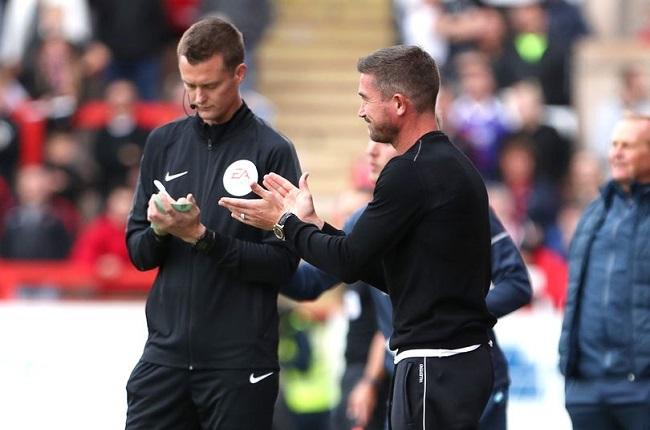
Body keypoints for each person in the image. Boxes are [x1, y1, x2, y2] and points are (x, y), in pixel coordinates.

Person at [220, 45, 497, 429]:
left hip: (435, 362)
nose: (360, 111)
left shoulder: (408, 172)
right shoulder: (452, 165)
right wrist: (312, 224)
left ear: (398, 103)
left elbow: (349, 262)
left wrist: (284, 224)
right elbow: (382, 267)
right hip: (454, 362)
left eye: (365, 99)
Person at [124, 17, 301, 429]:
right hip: (164, 358)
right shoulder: (163, 142)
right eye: (188, 85)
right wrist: (159, 230)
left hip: (238, 365)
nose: (197, 98)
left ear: (239, 74)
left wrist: (203, 238)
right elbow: (138, 251)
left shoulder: (272, 151)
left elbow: (282, 264)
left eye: (208, 85)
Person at [283, 139, 532, 430]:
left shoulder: (458, 201)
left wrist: (449, 315)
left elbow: (517, 283)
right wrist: (246, 255)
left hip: (462, 370)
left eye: (383, 141)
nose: (369, 151)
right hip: (407, 378)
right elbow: (307, 283)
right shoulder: (363, 222)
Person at [558, 113, 650, 429]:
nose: (616, 153)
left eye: (628, 145)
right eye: (613, 145)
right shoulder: (594, 212)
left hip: (641, 389)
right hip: (588, 389)